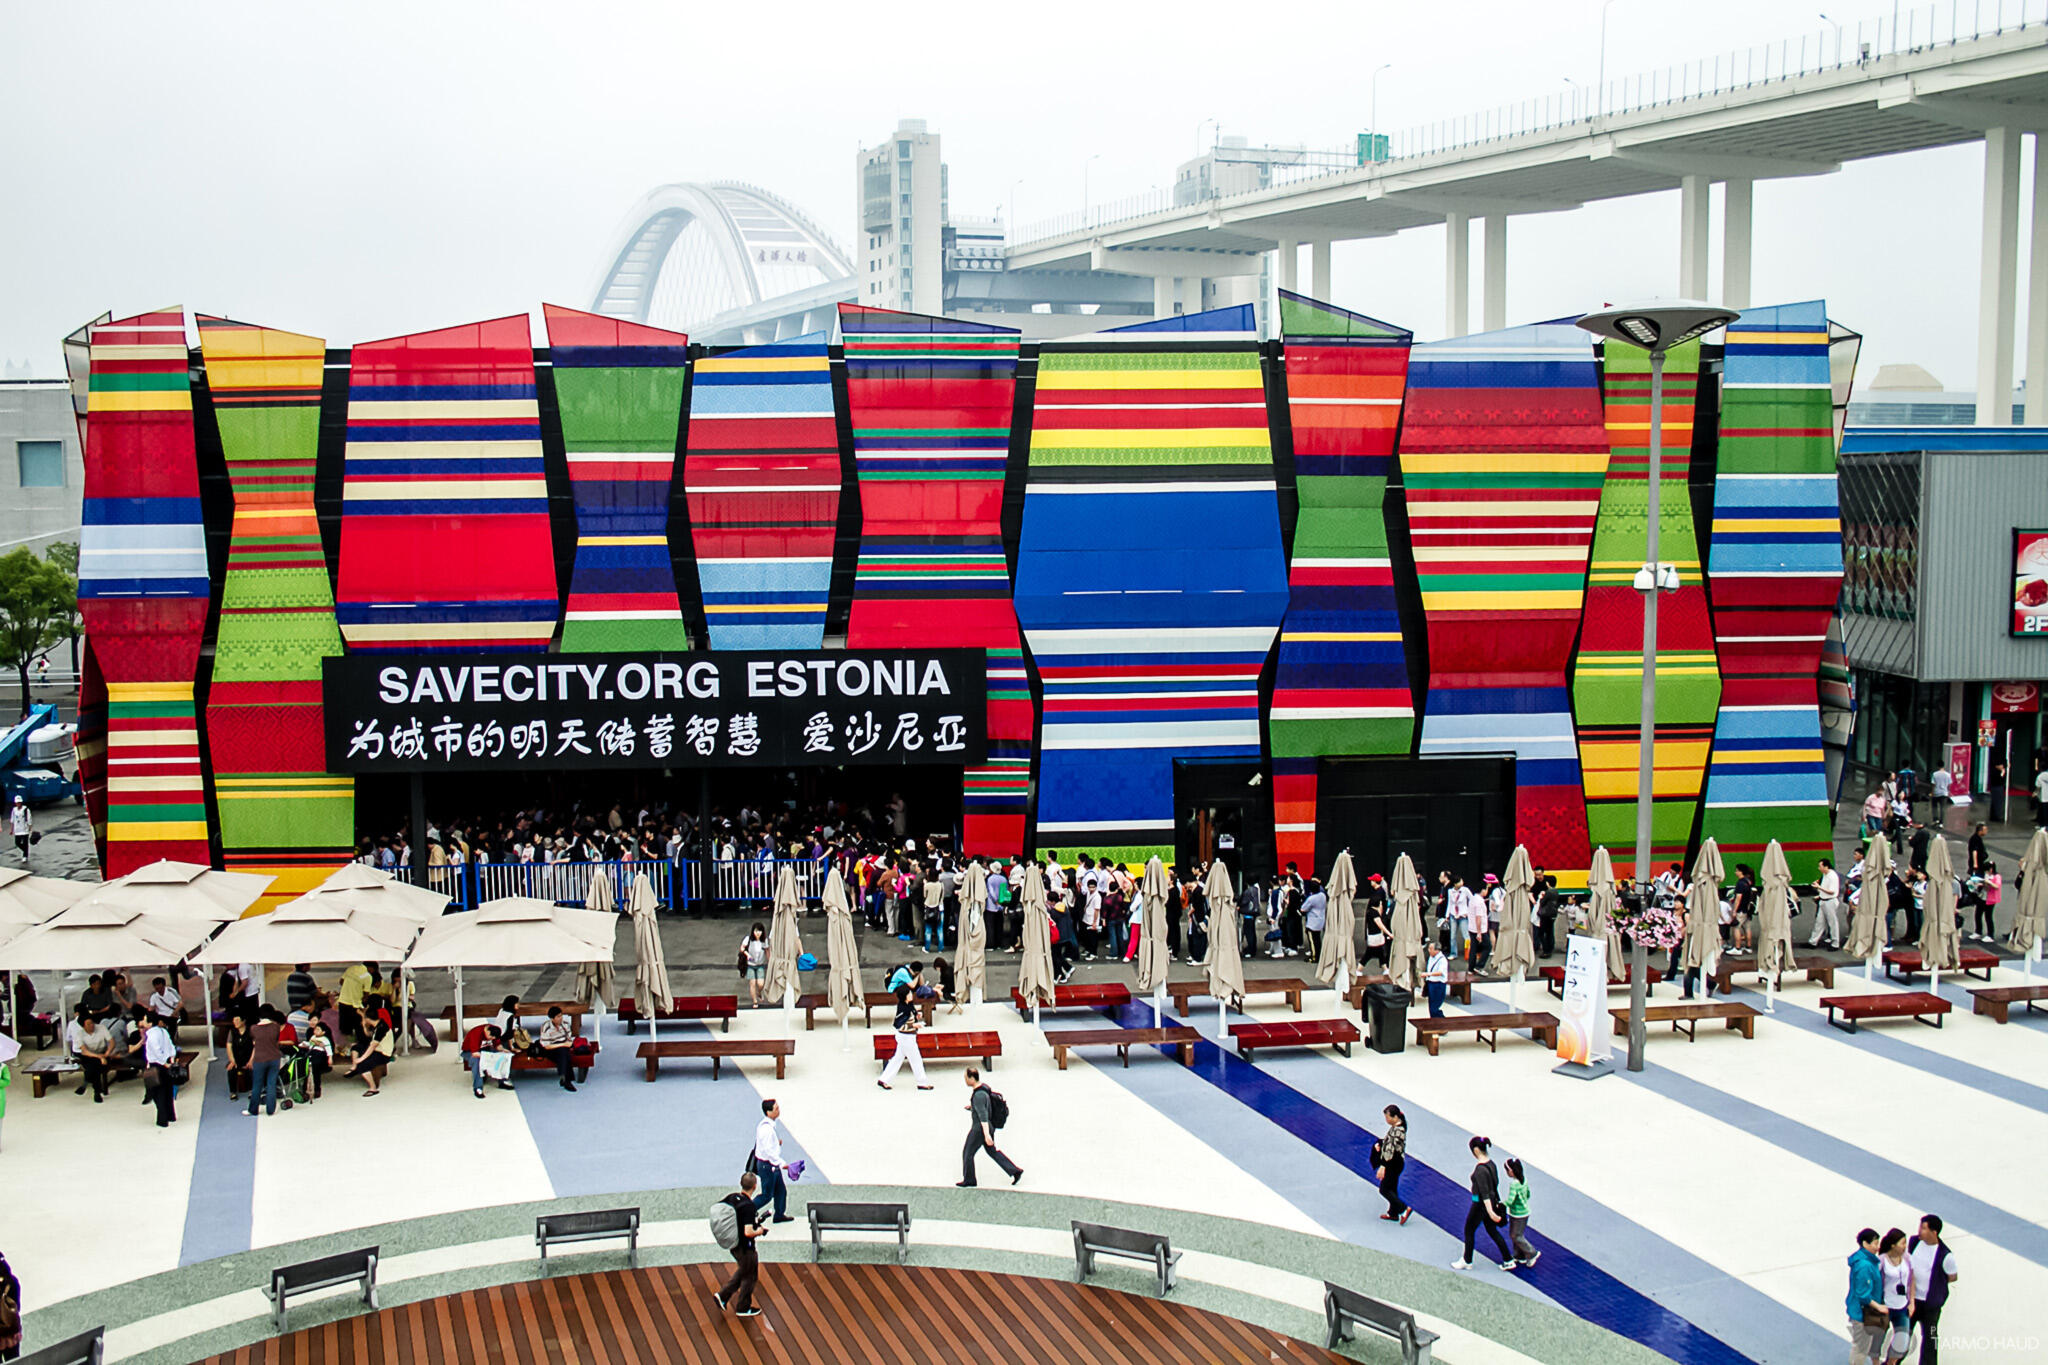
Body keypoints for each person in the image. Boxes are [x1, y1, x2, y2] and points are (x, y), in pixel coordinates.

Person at [1451, 1136, 1515, 1271]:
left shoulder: (1480, 1170)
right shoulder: (1492, 1164)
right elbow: (1494, 1186)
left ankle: (1467, 1260)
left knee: (1469, 1229)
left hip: (1481, 1204)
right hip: (1491, 1202)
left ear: (1475, 1150)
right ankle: (1508, 1259)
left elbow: (1484, 1193)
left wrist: (1490, 1212)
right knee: (1492, 1231)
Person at [712, 1170, 767, 1319]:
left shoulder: (732, 1197)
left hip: (733, 1244)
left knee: (745, 1271)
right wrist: (760, 1231)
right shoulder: (749, 1206)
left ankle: (725, 1297)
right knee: (750, 1275)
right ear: (755, 1186)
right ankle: (740, 1306)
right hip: (745, 1247)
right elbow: (748, 1232)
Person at [956, 1066, 1021, 1187]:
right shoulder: (984, 1088)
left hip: (980, 1129)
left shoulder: (978, 1095)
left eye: (966, 1078)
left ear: (971, 1078)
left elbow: (983, 1115)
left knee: (968, 1152)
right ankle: (1014, 1170)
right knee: (992, 1152)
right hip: (988, 1126)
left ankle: (969, 1179)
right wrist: (972, 1107)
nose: (965, 1080)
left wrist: (986, 1135)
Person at [1908, 1214, 1956, 1365]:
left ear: (1934, 1232)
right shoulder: (1914, 1242)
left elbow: (1952, 1277)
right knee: (1903, 1334)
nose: (1919, 1231)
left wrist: (1936, 1286)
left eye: (1923, 1228)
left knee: (1931, 1337)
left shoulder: (1945, 1255)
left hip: (1931, 1305)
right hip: (1912, 1300)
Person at [877, 984, 932, 1090]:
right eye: (909, 993)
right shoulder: (903, 1008)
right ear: (905, 996)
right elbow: (899, 1025)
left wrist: (916, 1016)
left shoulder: (908, 1006)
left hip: (906, 1038)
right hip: (906, 1037)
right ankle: (922, 1082)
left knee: (897, 1059)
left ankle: (884, 1079)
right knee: (916, 1059)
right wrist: (914, 1025)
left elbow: (910, 1016)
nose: (911, 995)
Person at [1846, 1228, 1888, 1365]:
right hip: (1862, 1312)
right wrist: (1879, 1307)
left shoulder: (1866, 1261)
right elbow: (1863, 1294)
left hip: (1860, 1310)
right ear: (1865, 1244)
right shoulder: (1864, 1266)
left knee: (1861, 1346)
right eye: (1875, 1243)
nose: (1877, 1247)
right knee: (1861, 1348)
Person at [751, 1098, 796, 1222]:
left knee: (780, 1190)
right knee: (767, 1195)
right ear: (768, 1112)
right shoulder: (767, 1130)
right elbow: (768, 1151)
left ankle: (779, 1214)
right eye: (776, 1109)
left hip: (770, 1165)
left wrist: (776, 1143)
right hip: (768, 1165)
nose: (778, 1111)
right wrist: (782, 1164)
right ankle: (748, 1210)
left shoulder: (767, 1126)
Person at [1877, 1228, 1915, 1361]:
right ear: (1893, 1245)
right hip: (1886, 1306)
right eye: (1902, 1243)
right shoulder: (1882, 1261)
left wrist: (1912, 1302)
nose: (1905, 1246)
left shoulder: (1908, 1259)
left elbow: (1912, 1279)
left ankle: (1891, 1362)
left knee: (1902, 1341)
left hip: (1902, 1306)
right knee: (1877, 1340)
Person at [1372, 1105, 1411, 1223]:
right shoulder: (1399, 1127)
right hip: (1398, 1163)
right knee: (1392, 1187)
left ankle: (1403, 1209)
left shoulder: (1396, 1131)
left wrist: (1383, 1166)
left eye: (1387, 1117)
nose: (1386, 1120)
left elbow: (1390, 1150)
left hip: (1392, 1164)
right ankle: (1393, 1213)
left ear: (1394, 1117)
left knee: (1384, 1189)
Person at [246, 1005, 286, 1117]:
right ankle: (270, 1110)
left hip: (260, 1059)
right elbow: (276, 1040)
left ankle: (253, 1109)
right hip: (274, 1058)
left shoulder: (253, 1028)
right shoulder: (276, 1027)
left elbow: (254, 1041)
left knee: (257, 1085)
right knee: (271, 1084)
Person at [1502, 1157, 1539, 1267]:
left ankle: (1532, 1253)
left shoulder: (1514, 1185)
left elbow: (1511, 1200)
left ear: (1511, 1171)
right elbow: (1528, 1194)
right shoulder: (1524, 1181)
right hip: (1524, 1212)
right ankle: (1519, 1255)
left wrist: (1501, 1205)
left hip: (1518, 1214)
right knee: (1517, 1234)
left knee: (1515, 1235)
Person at [143, 1011, 178, 1128]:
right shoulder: (164, 1031)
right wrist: (171, 1059)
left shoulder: (152, 1035)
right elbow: (171, 1046)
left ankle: (162, 1119)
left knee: (158, 1092)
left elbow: (156, 1050)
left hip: (156, 1065)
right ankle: (170, 1115)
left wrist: (163, 1063)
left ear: (150, 1022)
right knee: (167, 1091)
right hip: (166, 1063)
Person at [344, 1017, 393, 1096]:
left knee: (362, 1065)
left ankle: (373, 1088)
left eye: (364, 1018)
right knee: (356, 1047)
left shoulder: (381, 1028)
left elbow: (372, 1046)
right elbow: (369, 1035)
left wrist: (361, 1059)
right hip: (377, 1049)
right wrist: (364, 1026)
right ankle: (354, 1067)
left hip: (383, 1053)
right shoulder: (378, 1025)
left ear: (368, 1019)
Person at [535, 1006, 578, 1091]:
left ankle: (565, 1078)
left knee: (564, 1053)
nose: (560, 1018)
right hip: (550, 1048)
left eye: (561, 1016)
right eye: (558, 1017)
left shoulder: (565, 1025)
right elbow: (546, 1046)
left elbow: (569, 1039)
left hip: (563, 1047)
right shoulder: (546, 1027)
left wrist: (566, 1044)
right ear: (552, 1018)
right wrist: (562, 1045)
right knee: (563, 1053)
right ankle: (567, 1080)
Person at [1809, 858, 1843, 949]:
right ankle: (1813, 941)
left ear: (1826, 866)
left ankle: (1835, 943)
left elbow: (1832, 891)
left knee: (1832, 923)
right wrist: (1820, 895)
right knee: (1819, 922)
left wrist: (1819, 887)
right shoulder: (1825, 874)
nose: (1819, 868)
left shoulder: (1832, 876)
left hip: (1830, 901)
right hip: (1823, 900)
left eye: (1820, 866)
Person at [224, 1013, 253, 1100]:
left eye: (237, 1020)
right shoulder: (232, 1032)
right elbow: (229, 1046)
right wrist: (232, 1061)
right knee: (231, 1069)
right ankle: (233, 1092)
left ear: (243, 1021)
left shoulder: (250, 1031)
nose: (235, 1022)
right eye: (234, 1020)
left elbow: (255, 1047)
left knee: (252, 1069)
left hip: (249, 1057)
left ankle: (252, 1090)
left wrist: (251, 1061)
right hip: (236, 1058)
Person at [741, 922, 769, 1007]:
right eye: (756, 931)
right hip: (750, 965)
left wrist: (769, 960)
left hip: (760, 965)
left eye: (760, 931)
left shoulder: (764, 941)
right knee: (752, 983)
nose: (758, 933)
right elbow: (742, 948)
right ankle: (755, 1001)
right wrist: (747, 955)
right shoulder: (748, 939)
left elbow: (767, 950)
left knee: (760, 984)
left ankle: (759, 992)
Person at [1423, 941, 1451, 1018]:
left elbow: (1440, 972)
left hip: (1438, 984)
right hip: (1431, 982)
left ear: (1437, 950)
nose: (1429, 950)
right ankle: (1434, 1022)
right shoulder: (1431, 957)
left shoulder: (1442, 960)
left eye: (1431, 949)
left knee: (1435, 1007)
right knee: (1431, 1006)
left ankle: (1442, 1022)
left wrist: (1428, 974)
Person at [9, 796, 31, 866]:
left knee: (25, 843)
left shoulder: (26, 809)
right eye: (17, 803)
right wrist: (11, 830)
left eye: (19, 802)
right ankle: (26, 851)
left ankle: (25, 856)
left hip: (24, 829)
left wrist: (30, 828)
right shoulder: (14, 810)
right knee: (17, 843)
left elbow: (29, 819)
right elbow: (12, 820)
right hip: (17, 830)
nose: (18, 804)